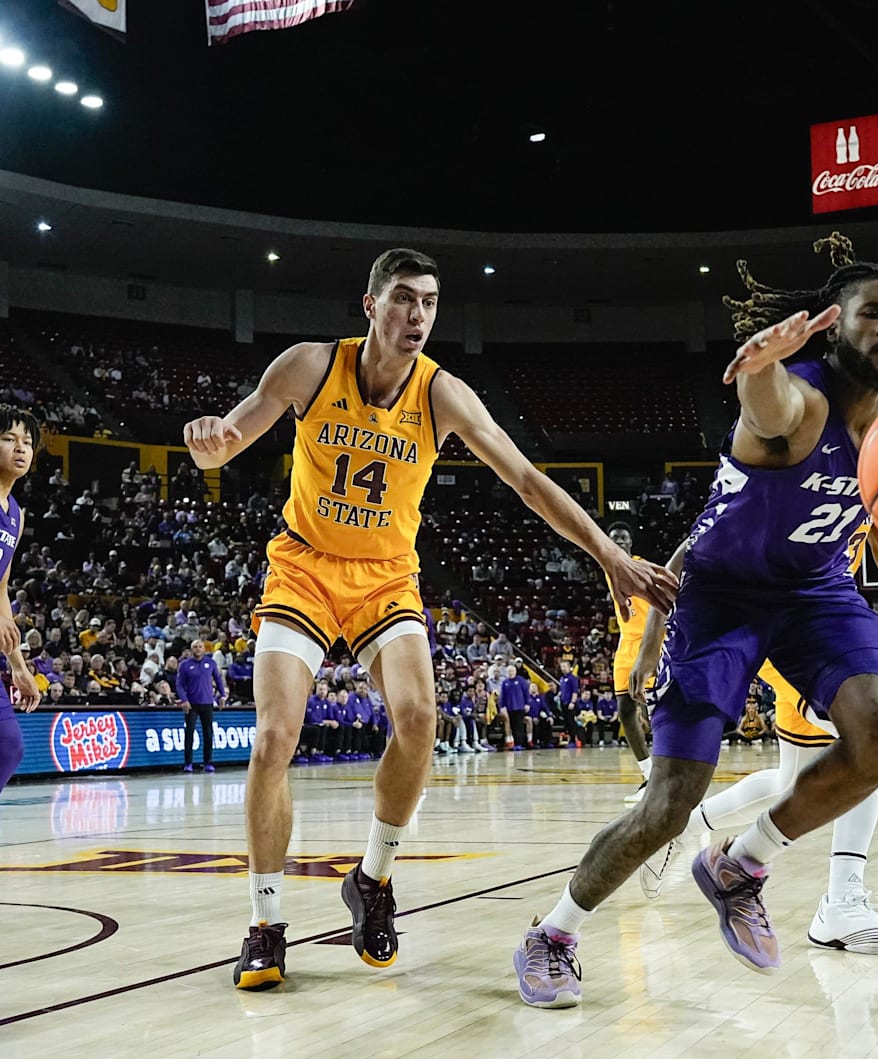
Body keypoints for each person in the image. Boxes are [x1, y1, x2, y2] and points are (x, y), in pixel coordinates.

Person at [184, 247, 676, 990]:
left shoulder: (443, 394)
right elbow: (228, 443)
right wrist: (209, 445)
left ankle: (373, 881)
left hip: (387, 577)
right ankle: (264, 923)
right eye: (405, 299)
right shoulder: (310, 366)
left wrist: (607, 551)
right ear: (371, 305)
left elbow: (526, 479)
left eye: (430, 304)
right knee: (275, 737)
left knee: (420, 719)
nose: (418, 316)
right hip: (305, 567)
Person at [513, 233, 878, 1006]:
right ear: (835, 323)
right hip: (723, 598)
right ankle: (553, 931)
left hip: (817, 594)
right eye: (875, 315)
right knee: (669, 805)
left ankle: (740, 864)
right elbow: (766, 402)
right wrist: (760, 361)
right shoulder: (798, 398)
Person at [633, 520, 878, 953]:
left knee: (792, 782)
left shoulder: (871, 480)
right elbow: (691, 546)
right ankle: (841, 901)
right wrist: (652, 638)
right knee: (870, 741)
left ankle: (687, 825)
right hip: (778, 632)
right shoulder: (794, 467)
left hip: (818, 626)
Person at [0, 406, 42, 791]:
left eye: (27, 442)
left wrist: (18, 666)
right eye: (9, 438)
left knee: (8, 747)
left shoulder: (15, 514)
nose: (20, 448)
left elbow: (1, 586)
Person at [605, 523, 655, 803]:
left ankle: (665, 774)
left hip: (647, 644)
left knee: (652, 711)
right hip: (626, 645)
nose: (619, 542)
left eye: (623, 538)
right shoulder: (609, 566)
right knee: (625, 711)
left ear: (631, 542)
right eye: (614, 539)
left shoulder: (641, 567)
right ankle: (648, 775)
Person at [177, 637, 226, 773]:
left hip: (207, 703)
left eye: (200, 647)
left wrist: (222, 695)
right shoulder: (185, 665)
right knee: (189, 733)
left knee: (208, 734)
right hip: (191, 704)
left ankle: (208, 762)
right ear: (191, 650)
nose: (197, 649)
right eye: (195, 647)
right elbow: (179, 685)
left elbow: (218, 679)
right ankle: (188, 763)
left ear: (204, 649)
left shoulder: (210, 663)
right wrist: (184, 700)